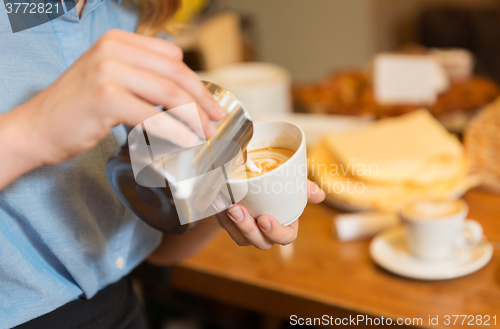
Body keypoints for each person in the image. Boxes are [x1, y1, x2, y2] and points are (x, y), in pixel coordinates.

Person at [0, 0, 326, 328]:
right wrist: (32, 131)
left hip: (123, 310)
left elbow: (160, 240)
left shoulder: (133, 13)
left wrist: (223, 202)